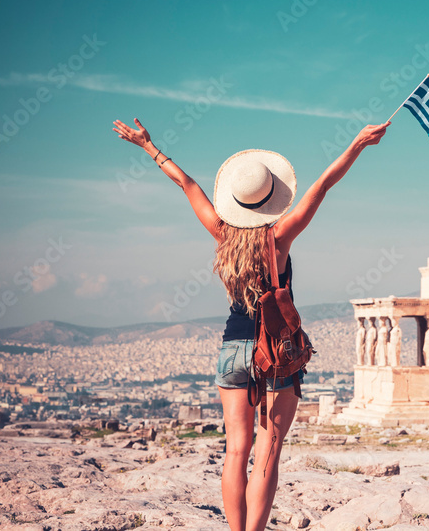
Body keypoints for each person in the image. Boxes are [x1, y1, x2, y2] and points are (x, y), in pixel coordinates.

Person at [112, 117, 388, 531]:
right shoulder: (280, 237)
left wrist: (150, 147)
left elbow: (187, 185)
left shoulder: (222, 235)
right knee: (269, 451)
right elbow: (323, 186)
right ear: (272, 198)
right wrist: (357, 145)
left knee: (235, 452)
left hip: (231, 350)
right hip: (274, 352)